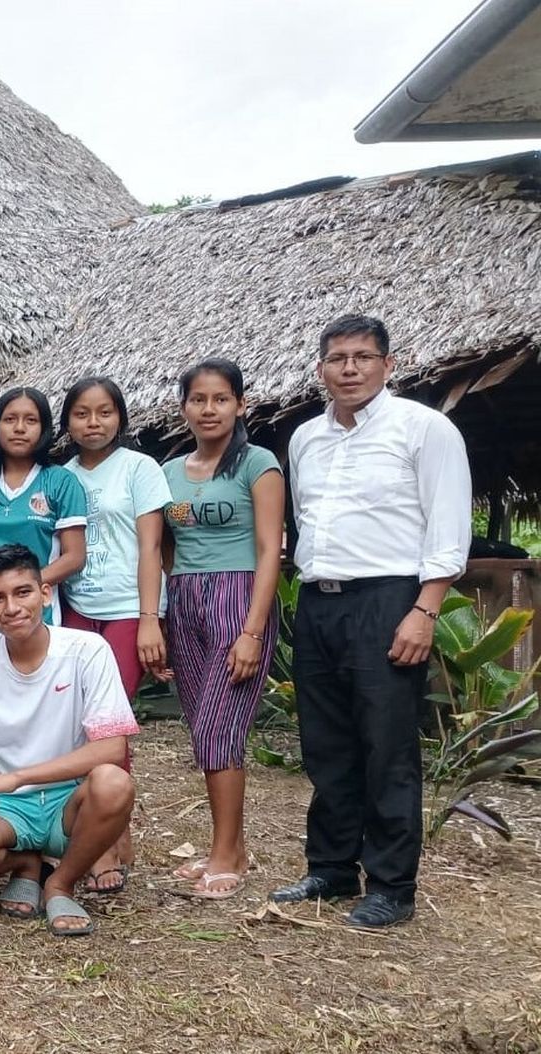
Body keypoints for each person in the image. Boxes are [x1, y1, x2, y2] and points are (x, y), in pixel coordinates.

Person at [270, 315, 471, 929]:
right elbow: (306, 522)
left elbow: (447, 526)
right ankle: (331, 867)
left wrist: (424, 609)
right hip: (319, 602)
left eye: (362, 357)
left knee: (387, 746)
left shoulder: (424, 429)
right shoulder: (306, 438)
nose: (350, 368)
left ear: (389, 364)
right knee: (326, 743)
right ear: (321, 368)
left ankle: (391, 885)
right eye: (337, 358)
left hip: (389, 599)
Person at [0, 544, 139, 937]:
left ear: (44, 593)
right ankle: (27, 863)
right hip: (5, 806)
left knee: (113, 782)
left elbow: (113, 748)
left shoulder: (86, 650)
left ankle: (61, 883)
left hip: (69, 800)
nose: (11, 608)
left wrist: (18, 776)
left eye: (22, 592)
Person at [160, 359, 283, 899]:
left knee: (218, 728)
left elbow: (270, 549)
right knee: (203, 727)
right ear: (184, 407)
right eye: (198, 400)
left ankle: (225, 855)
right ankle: (231, 847)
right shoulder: (168, 473)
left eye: (221, 399)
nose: (209, 409)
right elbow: (164, 547)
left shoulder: (258, 464)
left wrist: (253, 630)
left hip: (239, 597)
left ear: (240, 404)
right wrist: (169, 605)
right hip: (184, 599)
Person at [58, 376, 172, 894]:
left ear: (121, 418)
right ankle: (97, 828)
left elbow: (151, 548)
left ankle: (109, 839)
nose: (93, 423)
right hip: (76, 607)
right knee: (78, 722)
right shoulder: (61, 477)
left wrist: (149, 618)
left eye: (104, 412)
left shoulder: (140, 468)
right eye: (81, 413)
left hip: (127, 609)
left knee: (108, 724)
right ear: (67, 422)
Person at [0, 385, 87, 652]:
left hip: (35, 617)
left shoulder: (61, 482)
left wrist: (19, 589)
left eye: (30, 420)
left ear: (44, 428)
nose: (19, 428)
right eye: (10, 419)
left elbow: (75, 557)